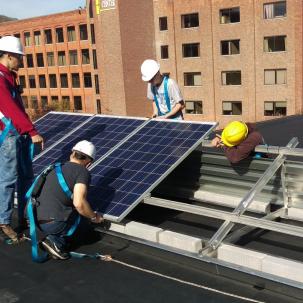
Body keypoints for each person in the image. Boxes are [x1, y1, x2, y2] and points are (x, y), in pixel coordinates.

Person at [0, 36, 44, 244]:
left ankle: (25, 217)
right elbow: (10, 110)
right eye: (19, 57)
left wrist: (29, 130)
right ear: (9, 56)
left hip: (20, 133)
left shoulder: (10, 76)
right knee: (8, 179)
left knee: (26, 176)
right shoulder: (0, 78)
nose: (21, 61)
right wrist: (31, 131)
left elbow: (19, 108)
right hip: (8, 135)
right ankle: (3, 221)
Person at [30, 140, 103, 260]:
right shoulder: (82, 172)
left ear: (72, 153)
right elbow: (79, 203)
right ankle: (55, 242)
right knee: (84, 221)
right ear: (89, 163)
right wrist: (94, 217)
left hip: (34, 219)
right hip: (52, 224)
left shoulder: (53, 167)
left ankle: (53, 235)